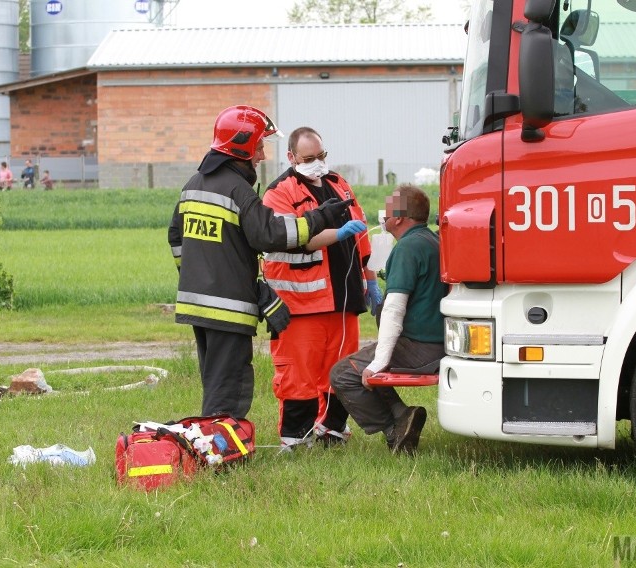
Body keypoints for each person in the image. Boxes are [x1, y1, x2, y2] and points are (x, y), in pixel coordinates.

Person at [167, 105, 356, 420]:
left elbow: (176, 236)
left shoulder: (194, 185)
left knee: (214, 379)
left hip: (195, 305)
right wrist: (323, 216)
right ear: (240, 147)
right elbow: (271, 234)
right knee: (228, 386)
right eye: (258, 146)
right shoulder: (236, 189)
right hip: (226, 307)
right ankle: (219, 448)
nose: (263, 156)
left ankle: (215, 438)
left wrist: (196, 277)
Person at [262, 127, 380, 451]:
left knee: (341, 371)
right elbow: (293, 238)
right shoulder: (279, 193)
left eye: (322, 156)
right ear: (291, 158)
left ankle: (332, 431)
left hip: (344, 299)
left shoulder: (339, 184)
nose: (318, 164)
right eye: (309, 159)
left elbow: (363, 238)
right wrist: (338, 233)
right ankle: (295, 439)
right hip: (300, 303)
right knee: (298, 375)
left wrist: (369, 280)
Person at [330, 184, 448, 454]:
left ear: (399, 218)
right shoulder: (430, 240)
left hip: (421, 348)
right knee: (364, 362)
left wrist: (379, 363)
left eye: (389, 205)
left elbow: (394, 309)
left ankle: (395, 431)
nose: (383, 212)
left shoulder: (407, 248)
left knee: (343, 374)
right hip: (438, 343)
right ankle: (402, 414)